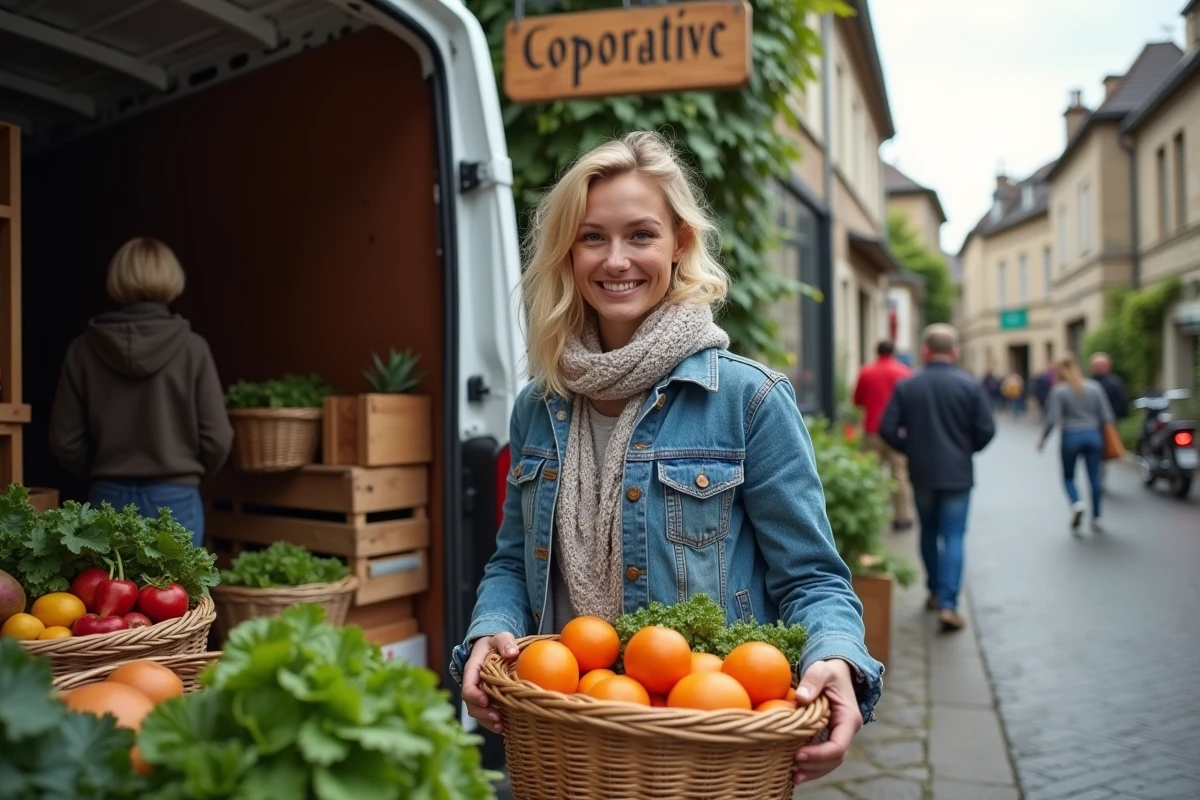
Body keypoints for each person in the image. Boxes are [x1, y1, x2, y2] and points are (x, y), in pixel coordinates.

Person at [452, 131, 882, 785]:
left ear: (679, 243)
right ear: (567, 252)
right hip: (564, 738)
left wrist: (836, 659)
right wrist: (489, 633)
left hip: (701, 748)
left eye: (641, 235)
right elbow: (514, 562)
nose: (615, 259)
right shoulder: (539, 405)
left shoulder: (747, 399)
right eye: (592, 236)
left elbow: (813, 580)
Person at [49, 237, 234, 548]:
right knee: (178, 596)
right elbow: (218, 438)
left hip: (107, 496)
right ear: (172, 279)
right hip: (176, 497)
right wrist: (186, 472)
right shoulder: (193, 349)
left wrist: (103, 469)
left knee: (108, 596)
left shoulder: (82, 350)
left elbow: (64, 439)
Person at [879, 324, 995, 632]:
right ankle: (949, 603)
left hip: (923, 472)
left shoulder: (908, 385)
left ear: (926, 351)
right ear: (954, 352)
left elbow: (887, 428)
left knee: (928, 532)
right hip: (958, 474)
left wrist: (911, 449)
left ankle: (932, 591)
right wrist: (966, 449)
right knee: (954, 535)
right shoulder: (969, 385)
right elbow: (987, 430)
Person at [1038, 356, 1115, 533]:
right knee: (1094, 477)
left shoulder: (1059, 391)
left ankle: (1077, 503)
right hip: (1093, 435)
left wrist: (1043, 438)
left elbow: (1053, 418)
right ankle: (1097, 518)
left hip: (1071, 436)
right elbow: (1106, 416)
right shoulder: (1094, 387)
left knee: (1068, 477)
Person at [853, 340, 914, 531]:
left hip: (872, 431)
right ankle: (902, 517)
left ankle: (873, 518)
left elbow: (857, 400)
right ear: (894, 352)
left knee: (872, 475)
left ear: (876, 352)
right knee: (899, 476)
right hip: (897, 433)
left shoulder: (867, 372)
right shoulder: (904, 372)